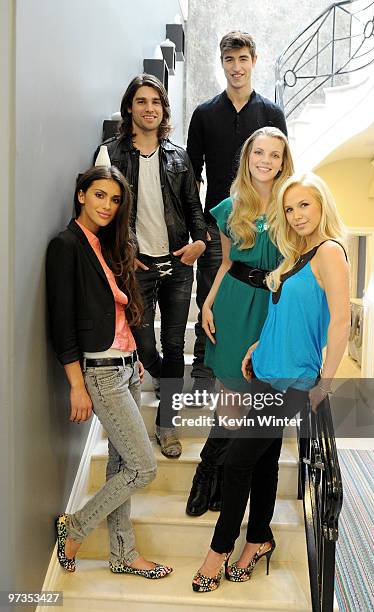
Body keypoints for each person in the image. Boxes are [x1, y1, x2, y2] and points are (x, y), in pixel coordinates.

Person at [191, 172, 350, 592]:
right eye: (289, 208)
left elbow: (339, 322)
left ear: (322, 206)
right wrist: (256, 347)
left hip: (292, 381)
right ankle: (259, 539)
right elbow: (289, 315)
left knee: (237, 461)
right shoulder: (298, 252)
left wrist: (325, 383)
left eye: (304, 205)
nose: (296, 215)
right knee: (262, 463)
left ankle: (219, 549)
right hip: (264, 368)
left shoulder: (330, 252)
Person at [47, 165, 172, 579]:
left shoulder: (107, 246)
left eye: (115, 199)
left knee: (122, 465)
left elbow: (119, 311)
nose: (107, 205)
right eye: (99, 195)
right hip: (99, 371)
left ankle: (123, 553)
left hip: (127, 364)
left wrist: (134, 354)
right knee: (144, 466)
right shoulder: (66, 245)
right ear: (81, 195)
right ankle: (75, 528)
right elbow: (61, 322)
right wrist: (76, 386)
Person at [186, 30, 287, 508]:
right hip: (228, 248)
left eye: (244, 58)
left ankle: (229, 473)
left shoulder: (291, 203)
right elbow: (225, 260)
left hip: (269, 298)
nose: (237, 66)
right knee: (230, 391)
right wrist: (206, 297)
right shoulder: (205, 115)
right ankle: (210, 470)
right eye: (229, 59)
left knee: (260, 397)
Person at [95, 74, 207, 458]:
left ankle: (167, 424)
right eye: (141, 102)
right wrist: (124, 252)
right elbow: (102, 214)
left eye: (156, 102)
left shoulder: (179, 156)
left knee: (175, 345)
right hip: (135, 268)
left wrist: (199, 243)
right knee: (145, 350)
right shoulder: (111, 154)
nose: (149, 109)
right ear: (130, 108)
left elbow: (194, 207)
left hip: (177, 265)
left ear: (164, 110)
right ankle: (167, 380)